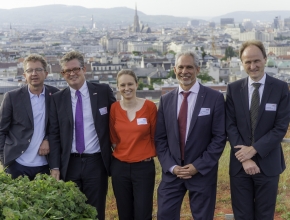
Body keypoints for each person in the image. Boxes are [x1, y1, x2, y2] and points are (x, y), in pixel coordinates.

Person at [155, 51, 226, 220]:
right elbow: (160, 139)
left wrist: (197, 166)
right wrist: (172, 167)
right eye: (181, 67)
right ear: (174, 69)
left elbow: (219, 138)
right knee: (164, 215)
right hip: (173, 174)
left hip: (202, 173)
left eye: (189, 67)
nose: (184, 71)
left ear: (197, 69)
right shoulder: (166, 100)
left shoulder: (214, 98)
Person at [226, 40, 290, 220]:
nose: (253, 66)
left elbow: (280, 127)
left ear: (265, 59)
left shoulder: (280, 88)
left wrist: (253, 151)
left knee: (264, 215)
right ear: (242, 63)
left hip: (268, 164)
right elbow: (230, 126)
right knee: (242, 216)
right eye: (248, 62)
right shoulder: (233, 89)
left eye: (256, 61)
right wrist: (245, 159)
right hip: (240, 167)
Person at [48, 51, 115, 220]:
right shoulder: (57, 99)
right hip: (69, 163)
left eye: (75, 69)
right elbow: (54, 135)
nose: (71, 73)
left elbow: (117, 119)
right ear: (62, 74)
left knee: (96, 210)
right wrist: (55, 166)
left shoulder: (102, 91)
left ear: (84, 68)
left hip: (96, 162)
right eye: (66, 71)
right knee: (71, 211)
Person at [0, 54, 59, 180]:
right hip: (16, 164)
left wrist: (47, 138)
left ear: (46, 73)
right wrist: (4, 161)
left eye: (38, 69)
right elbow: (1, 130)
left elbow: (60, 125)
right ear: (24, 75)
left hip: (45, 165)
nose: (34, 73)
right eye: (29, 70)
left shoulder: (55, 95)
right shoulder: (12, 97)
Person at [109, 69, 157, 220]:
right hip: (120, 168)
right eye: (122, 85)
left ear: (137, 85)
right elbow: (113, 137)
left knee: (143, 213)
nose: (126, 88)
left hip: (143, 167)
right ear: (118, 87)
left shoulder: (149, 107)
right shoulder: (114, 108)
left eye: (130, 84)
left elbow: (156, 135)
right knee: (124, 213)